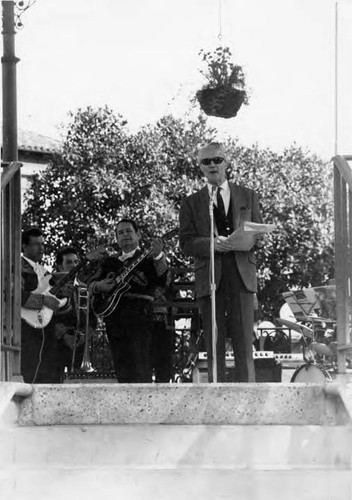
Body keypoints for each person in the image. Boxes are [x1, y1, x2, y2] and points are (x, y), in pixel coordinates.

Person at [179, 142, 264, 382]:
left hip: (241, 274)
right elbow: (185, 242)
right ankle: (216, 396)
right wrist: (211, 244)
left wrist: (254, 239)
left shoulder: (248, 195)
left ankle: (247, 398)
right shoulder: (191, 203)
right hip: (210, 276)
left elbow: (259, 235)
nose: (212, 165)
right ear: (200, 168)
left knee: (244, 341)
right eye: (206, 162)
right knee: (214, 340)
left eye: (217, 160)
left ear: (226, 162)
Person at [89, 218, 169, 383]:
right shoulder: (109, 262)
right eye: (120, 233)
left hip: (141, 317)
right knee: (121, 366)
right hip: (114, 319)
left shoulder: (149, 259)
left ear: (138, 235)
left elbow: (164, 281)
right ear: (117, 239)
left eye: (128, 231)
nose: (125, 235)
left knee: (141, 365)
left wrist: (160, 255)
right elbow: (87, 283)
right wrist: (99, 285)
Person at [21, 227, 63, 383]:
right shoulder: (17, 267)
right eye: (36, 244)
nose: (41, 248)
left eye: (43, 244)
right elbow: (15, 297)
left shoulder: (45, 271)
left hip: (45, 328)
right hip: (25, 326)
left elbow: (53, 299)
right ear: (24, 246)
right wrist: (43, 301)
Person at [150, 286, 173, 382]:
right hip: (147, 321)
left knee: (164, 359)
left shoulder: (168, 285)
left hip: (164, 323)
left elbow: (172, 303)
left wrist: (162, 297)